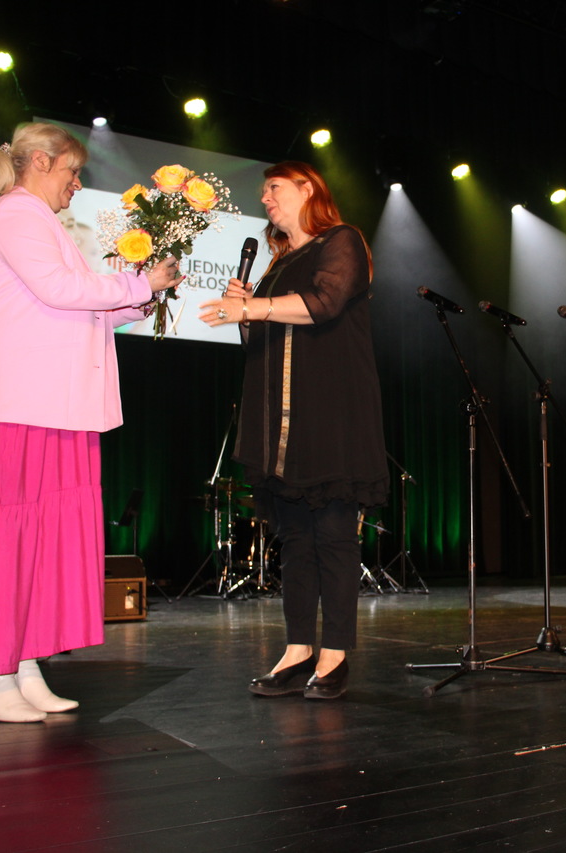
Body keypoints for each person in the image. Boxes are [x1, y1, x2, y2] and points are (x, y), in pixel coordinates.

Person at [0, 122, 179, 722]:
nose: (78, 184)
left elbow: (78, 309)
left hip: (48, 406)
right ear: (40, 161)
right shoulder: (16, 213)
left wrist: (139, 295)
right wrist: (135, 280)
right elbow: (58, 289)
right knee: (7, 536)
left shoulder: (42, 222)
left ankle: (19, 664)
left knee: (38, 540)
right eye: (73, 171)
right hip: (14, 405)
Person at [199, 162, 387, 700]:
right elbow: (257, 342)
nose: (265, 199)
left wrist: (252, 306)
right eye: (263, 192)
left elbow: (325, 303)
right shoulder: (278, 263)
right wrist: (246, 313)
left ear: (308, 190)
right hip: (278, 427)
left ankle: (335, 654)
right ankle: (298, 650)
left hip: (330, 417)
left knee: (332, 536)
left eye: (274, 188)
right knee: (296, 540)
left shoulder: (341, 241)